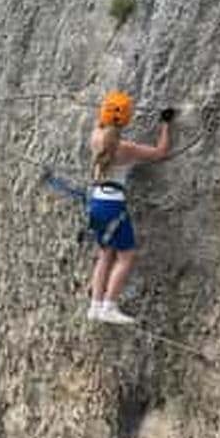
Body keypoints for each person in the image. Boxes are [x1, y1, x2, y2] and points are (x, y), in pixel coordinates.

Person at [87, 92, 175, 325]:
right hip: (114, 205)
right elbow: (160, 152)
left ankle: (95, 305)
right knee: (127, 257)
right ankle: (109, 306)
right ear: (126, 120)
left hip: (95, 201)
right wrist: (165, 124)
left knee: (105, 254)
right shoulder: (127, 149)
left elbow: (101, 126)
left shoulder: (95, 138)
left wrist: (106, 113)